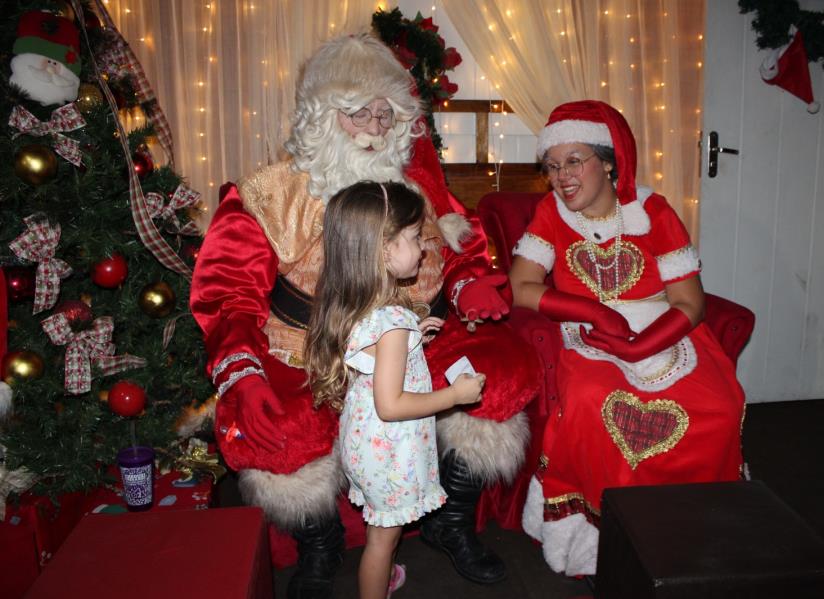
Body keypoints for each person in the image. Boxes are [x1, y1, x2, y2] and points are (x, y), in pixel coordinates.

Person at [190, 34, 538, 597]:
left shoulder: (416, 182)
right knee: (273, 424)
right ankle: (320, 545)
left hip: (414, 335)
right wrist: (242, 367)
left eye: (385, 113)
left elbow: (461, 246)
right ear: (323, 115)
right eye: (358, 114)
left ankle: (448, 523)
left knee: (504, 370)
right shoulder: (266, 194)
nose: (376, 128)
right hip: (309, 346)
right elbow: (225, 293)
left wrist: (470, 281)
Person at [510, 100, 745, 576]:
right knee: (596, 399)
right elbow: (521, 286)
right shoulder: (551, 214)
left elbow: (690, 303)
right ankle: (607, 546)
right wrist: (592, 310)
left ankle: (696, 529)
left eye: (574, 161)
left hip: (661, 327)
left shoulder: (653, 211)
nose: (561, 176)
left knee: (720, 405)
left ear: (610, 161)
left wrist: (641, 346)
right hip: (587, 333)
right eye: (552, 166)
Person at [304, 181, 487, 599]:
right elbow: (392, 404)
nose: (423, 248)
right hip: (389, 449)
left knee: (381, 530)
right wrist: (455, 396)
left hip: (367, 443)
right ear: (383, 250)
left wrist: (412, 338)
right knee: (382, 541)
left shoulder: (364, 306)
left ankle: (381, 577)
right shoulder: (391, 322)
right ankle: (375, 585)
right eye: (413, 238)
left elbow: (375, 357)